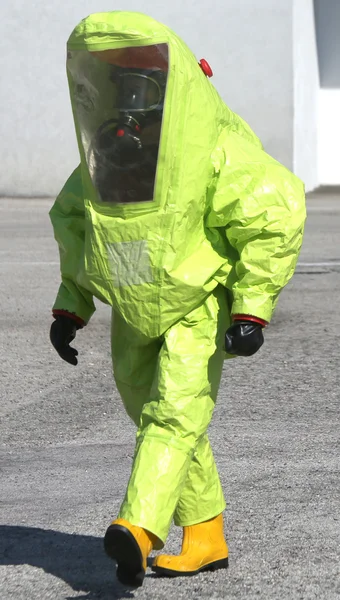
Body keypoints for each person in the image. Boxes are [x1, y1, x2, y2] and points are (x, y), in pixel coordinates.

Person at [49, 11, 306, 588]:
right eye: (124, 86)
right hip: (135, 303)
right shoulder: (115, 151)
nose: (134, 101)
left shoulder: (209, 147)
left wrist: (251, 306)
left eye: (146, 85)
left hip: (197, 303)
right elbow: (78, 216)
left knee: (174, 414)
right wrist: (74, 303)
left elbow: (274, 210)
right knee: (154, 413)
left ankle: (139, 528)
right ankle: (207, 536)